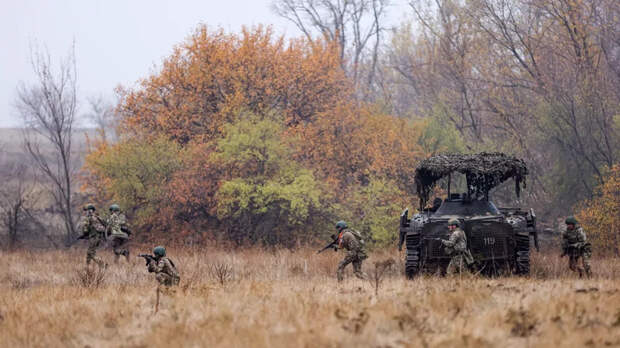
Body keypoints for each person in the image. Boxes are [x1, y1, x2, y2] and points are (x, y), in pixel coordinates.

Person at [78, 203, 107, 269]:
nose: (85, 212)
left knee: (91, 253)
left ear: (89, 210)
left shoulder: (89, 218)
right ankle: (87, 266)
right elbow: (105, 224)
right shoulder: (97, 217)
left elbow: (86, 229)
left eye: (86, 210)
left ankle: (102, 264)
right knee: (89, 252)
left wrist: (83, 235)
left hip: (94, 237)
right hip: (98, 238)